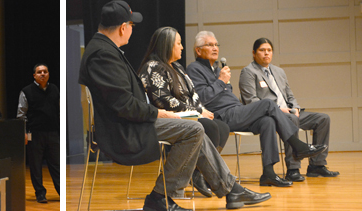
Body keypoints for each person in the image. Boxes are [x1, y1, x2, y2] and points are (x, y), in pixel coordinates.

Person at [78, 1, 270, 210]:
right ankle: (160, 198)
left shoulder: (105, 50)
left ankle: (231, 190)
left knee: (195, 127)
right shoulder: (102, 54)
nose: (132, 30)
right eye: (132, 26)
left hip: (131, 120)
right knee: (193, 129)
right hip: (124, 128)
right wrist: (158, 113)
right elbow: (123, 104)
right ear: (123, 27)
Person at [185, 31, 327, 188]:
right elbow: (201, 98)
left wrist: (221, 80)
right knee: (267, 104)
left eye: (216, 45)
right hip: (222, 116)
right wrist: (220, 81)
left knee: (267, 121)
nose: (215, 48)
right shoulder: (194, 69)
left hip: (236, 111)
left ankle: (268, 173)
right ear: (198, 50)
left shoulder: (219, 70)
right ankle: (297, 145)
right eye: (209, 45)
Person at [137, 27, 230, 198]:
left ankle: (199, 172)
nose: (181, 47)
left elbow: (193, 94)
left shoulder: (177, 67)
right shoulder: (153, 67)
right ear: (166, 45)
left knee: (222, 127)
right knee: (209, 126)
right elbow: (164, 100)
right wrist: (197, 113)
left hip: (187, 114)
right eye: (178, 43)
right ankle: (201, 173)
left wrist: (201, 110)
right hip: (169, 118)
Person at [239, 38, 339, 181]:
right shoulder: (248, 72)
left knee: (323, 119)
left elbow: (290, 95)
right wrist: (279, 110)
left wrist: (296, 108)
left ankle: (317, 165)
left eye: (269, 50)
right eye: (262, 50)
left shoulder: (279, 71)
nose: (266, 53)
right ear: (254, 53)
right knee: (291, 119)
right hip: (269, 115)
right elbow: (251, 102)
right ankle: (293, 169)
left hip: (289, 112)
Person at [17, 63, 60, 203]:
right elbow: (21, 114)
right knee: (35, 166)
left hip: (53, 133)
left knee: (56, 165)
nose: (42, 74)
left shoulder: (54, 89)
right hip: (34, 134)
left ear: (48, 74)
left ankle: (61, 191)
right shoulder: (26, 91)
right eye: (39, 72)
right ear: (34, 75)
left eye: (45, 71)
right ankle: (40, 193)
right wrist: (23, 132)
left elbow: (59, 110)